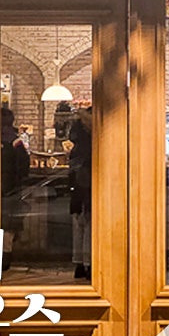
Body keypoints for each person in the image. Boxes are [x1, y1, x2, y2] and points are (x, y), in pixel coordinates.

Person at [0, 107, 30, 270]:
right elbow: (24, 164)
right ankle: (5, 257)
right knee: (8, 225)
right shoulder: (15, 140)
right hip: (11, 188)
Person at [69, 106, 92, 279]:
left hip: (77, 189)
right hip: (89, 188)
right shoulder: (92, 144)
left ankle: (79, 264)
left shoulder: (76, 146)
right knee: (90, 227)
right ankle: (89, 264)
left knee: (79, 226)